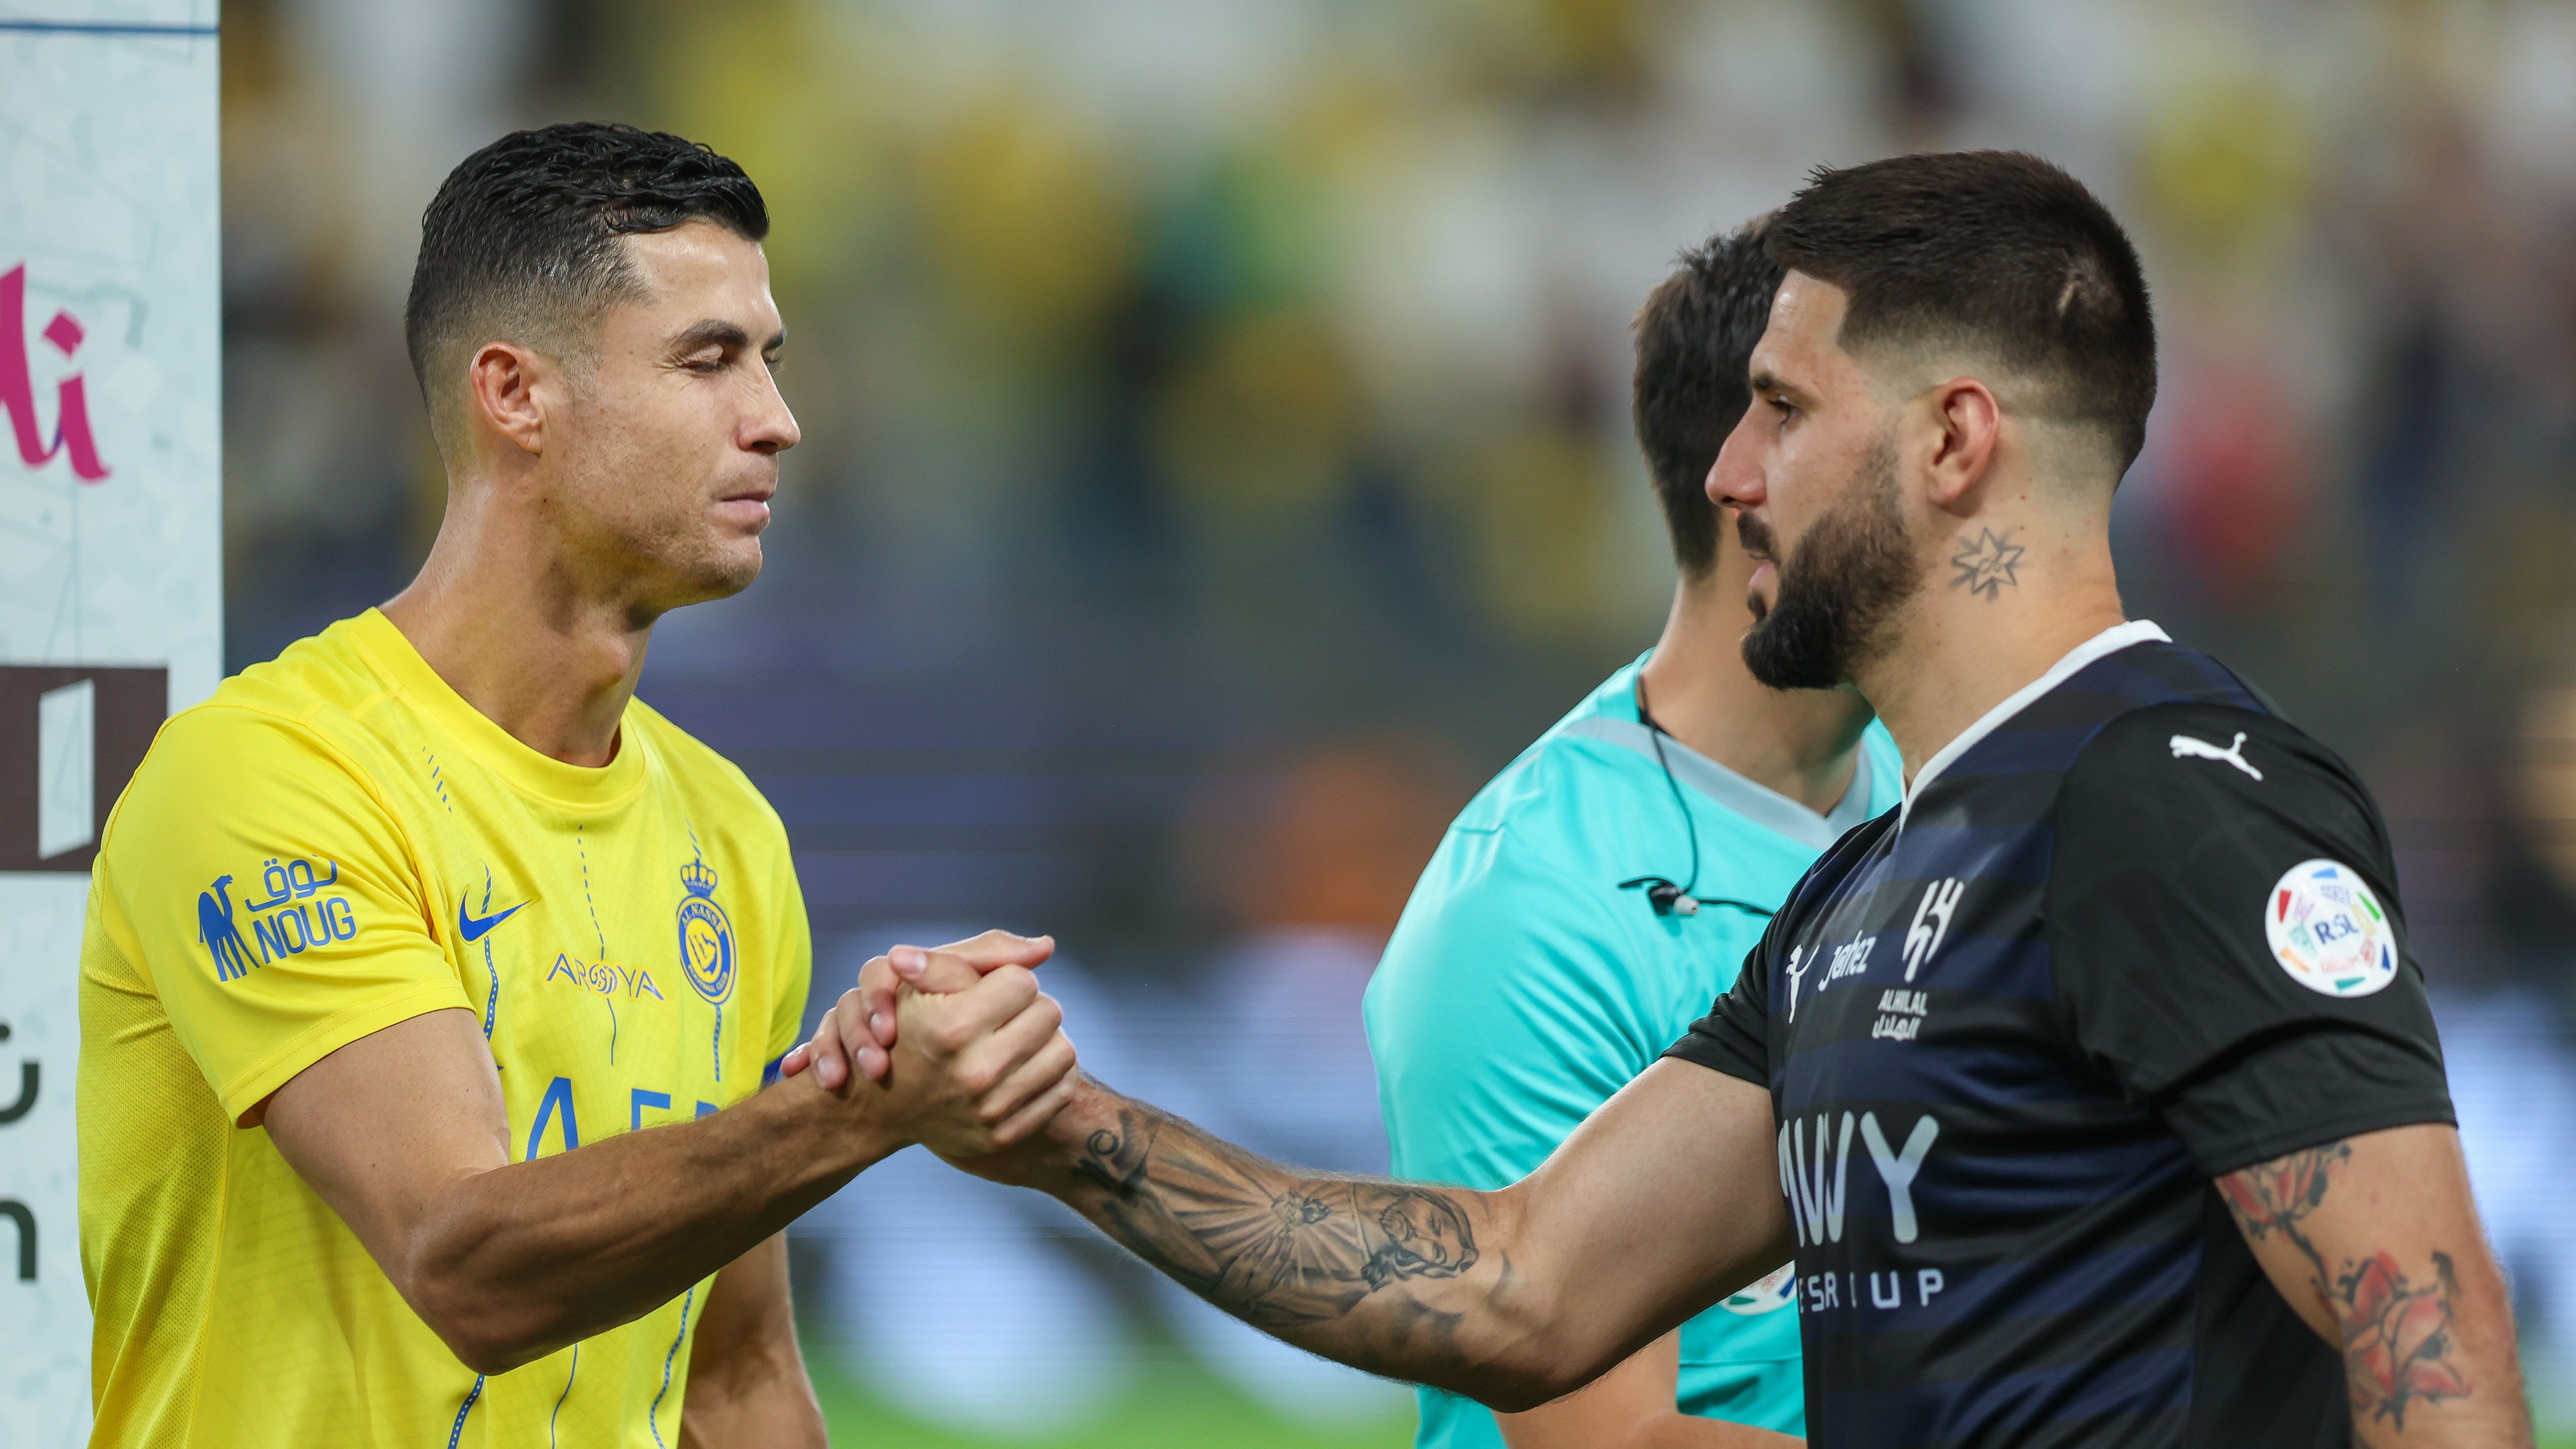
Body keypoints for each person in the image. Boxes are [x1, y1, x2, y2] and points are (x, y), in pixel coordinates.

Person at [793, 150, 2534, 1448]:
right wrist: (1069, 1132)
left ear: (1950, 442)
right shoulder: (1870, 879)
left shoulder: (2177, 797)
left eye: (1779, 409)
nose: (1726, 471)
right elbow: (1523, 1285)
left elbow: (2429, 1346)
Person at [75, 123, 1077, 1448]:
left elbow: (733, 1375)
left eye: (769, 361)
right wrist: (857, 1110)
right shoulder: (269, 773)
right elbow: (463, 1261)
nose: (776, 421)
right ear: (515, 396)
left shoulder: (728, 832)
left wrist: (838, 1115)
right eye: (708, 359)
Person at [1361, 221, 1897, 1449]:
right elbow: (1606, 1440)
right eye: (1905, 443)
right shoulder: (1531, 909)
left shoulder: (1961, 794)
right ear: (1758, 479)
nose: (1960, 490)